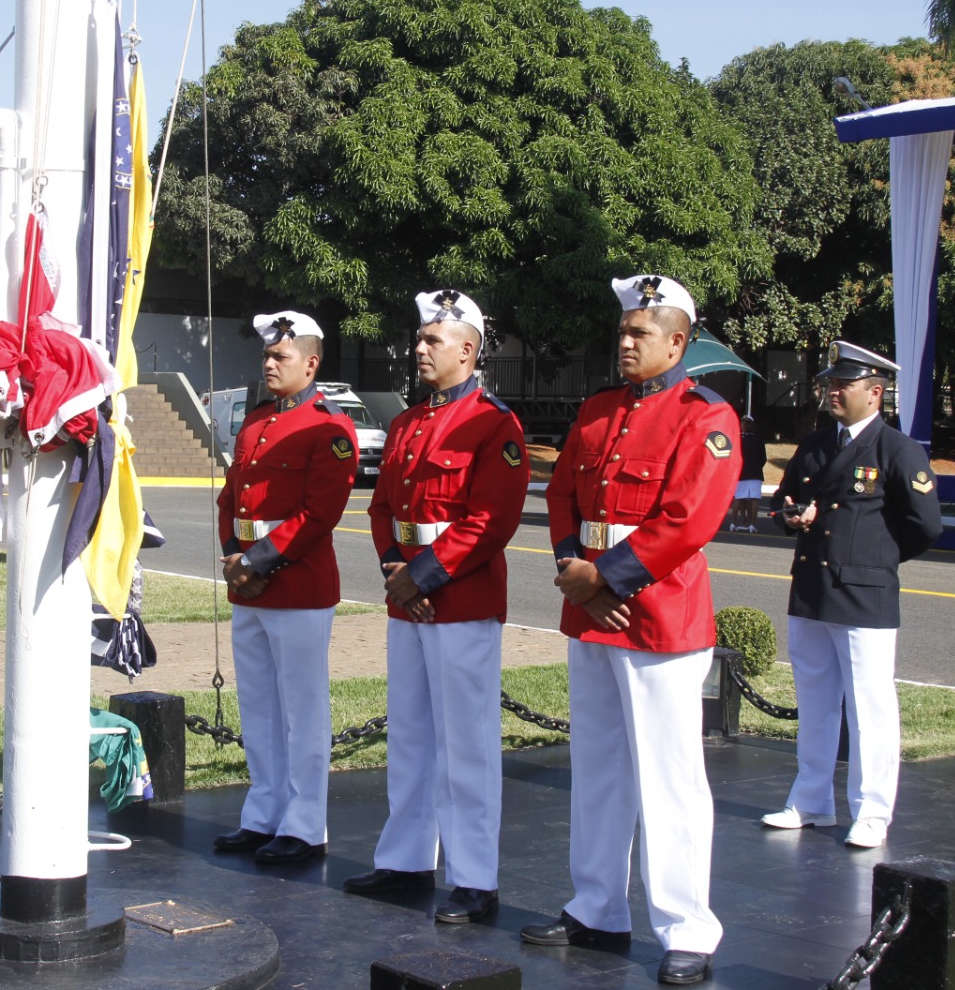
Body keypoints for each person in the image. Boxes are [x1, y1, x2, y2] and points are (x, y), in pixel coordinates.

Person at [523, 275, 738, 987]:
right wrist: (572, 569)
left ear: (677, 342)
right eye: (622, 330)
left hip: (657, 617)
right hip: (593, 613)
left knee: (670, 780)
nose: (624, 341)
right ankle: (596, 907)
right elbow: (561, 495)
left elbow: (689, 518)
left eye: (639, 332)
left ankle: (687, 929)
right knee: (598, 770)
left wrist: (604, 578)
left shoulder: (704, 416)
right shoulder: (598, 409)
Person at [343, 289, 529, 926]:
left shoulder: (494, 424)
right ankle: (405, 862)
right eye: (419, 339)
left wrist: (422, 576)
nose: (418, 349)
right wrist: (395, 570)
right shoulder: (406, 424)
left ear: (469, 350)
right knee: (411, 736)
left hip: (460, 600)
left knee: (466, 746)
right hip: (408, 599)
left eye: (432, 340)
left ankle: (474, 878)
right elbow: (382, 509)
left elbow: (491, 520)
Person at [762, 341, 942, 850]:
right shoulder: (817, 443)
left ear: (875, 392)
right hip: (812, 588)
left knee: (869, 707)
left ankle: (872, 811)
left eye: (844, 385)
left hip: (864, 594)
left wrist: (875, 559)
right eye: (831, 384)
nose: (833, 393)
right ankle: (811, 801)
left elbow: (926, 525)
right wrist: (791, 516)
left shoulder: (896, 449)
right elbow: (784, 502)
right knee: (816, 701)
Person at [212, 311, 357, 866]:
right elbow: (230, 500)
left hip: (297, 586)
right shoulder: (255, 423)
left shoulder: (330, 427)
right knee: (258, 707)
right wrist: (234, 556)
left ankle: (304, 825)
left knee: (302, 711)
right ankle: (263, 814)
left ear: (311, 363)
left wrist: (255, 561)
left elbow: (320, 514)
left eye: (281, 356)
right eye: (267, 356)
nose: (269, 364)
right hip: (248, 585)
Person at [728, 415, 767, 533]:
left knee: (738, 498)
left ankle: (733, 522)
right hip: (755, 474)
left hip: (740, 473)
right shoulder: (759, 440)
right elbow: (763, 458)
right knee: (754, 499)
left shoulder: (737, 440)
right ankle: (752, 524)